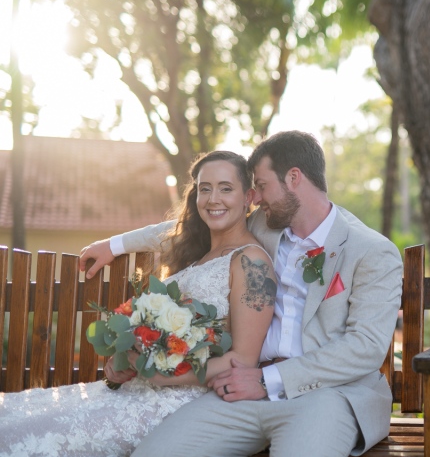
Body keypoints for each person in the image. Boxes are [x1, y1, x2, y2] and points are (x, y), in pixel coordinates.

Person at [78, 131, 403, 457]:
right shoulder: (266, 224)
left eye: (261, 186)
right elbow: (193, 224)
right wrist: (114, 245)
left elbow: (365, 348)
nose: (256, 198)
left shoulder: (371, 251)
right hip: (241, 391)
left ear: (293, 178)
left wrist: (266, 379)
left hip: (326, 394)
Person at [0, 151, 275, 457]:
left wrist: (161, 375)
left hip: (179, 404)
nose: (213, 199)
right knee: (14, 416)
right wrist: (125, 360)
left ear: (249, 196)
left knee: (30, 437)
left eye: (226, 188)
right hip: (136, 390)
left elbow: (243, 361)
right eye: (204, 188)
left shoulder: (252, 262)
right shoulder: (200, 255)